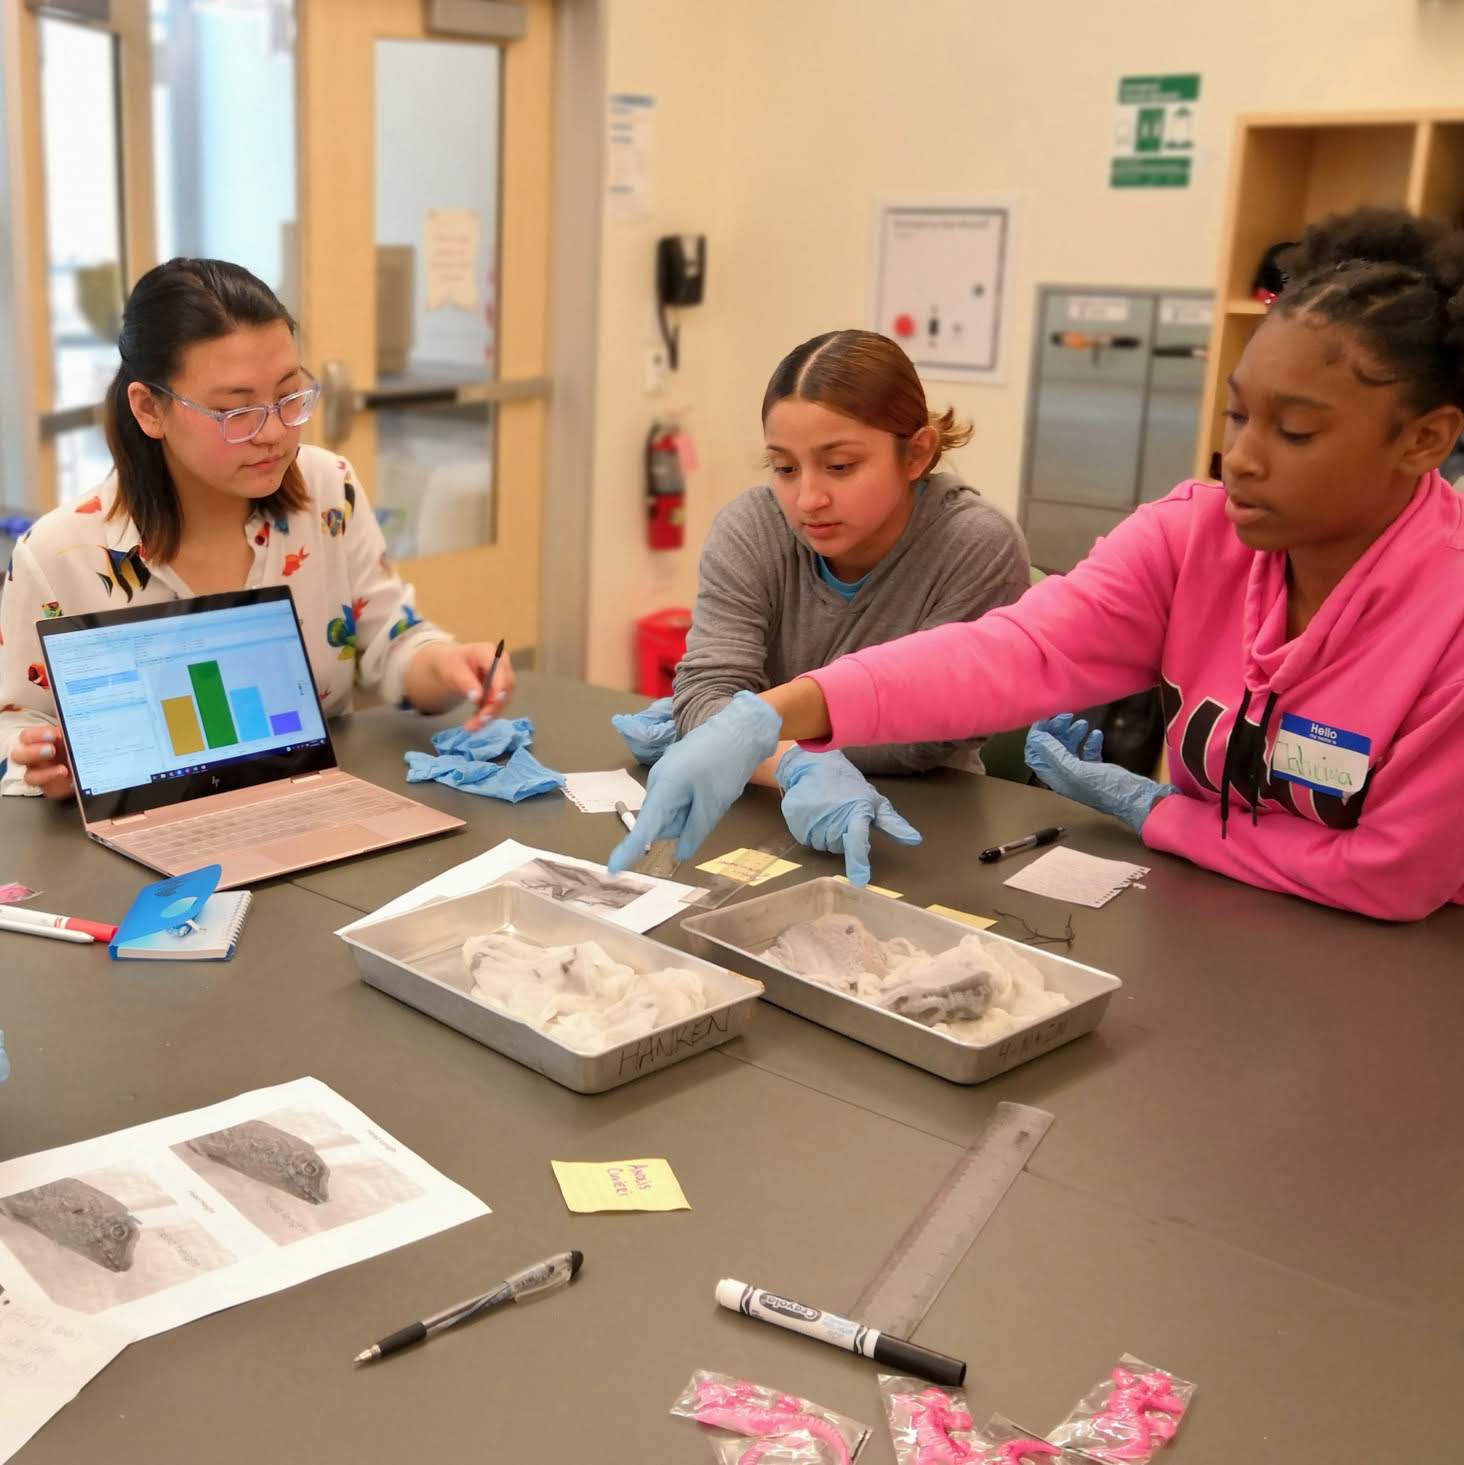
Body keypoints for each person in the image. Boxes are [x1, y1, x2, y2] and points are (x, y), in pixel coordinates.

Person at [611, 208, 1464, 922]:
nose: (1239, 457)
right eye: (1238, 416)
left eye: (1296, 432)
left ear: (1426, 439)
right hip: (1221, 920)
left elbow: (1390, 874)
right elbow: (1017, 652)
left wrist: (1161, 812)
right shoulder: (1194, 535)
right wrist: (777, 718)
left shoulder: (1448, 612)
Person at [1, 258, 513, 800]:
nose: (273, 433)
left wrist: (447, 664)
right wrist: (42, 760)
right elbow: (12, 724)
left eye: (289, 397)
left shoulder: (326, 490)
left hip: (311, 807)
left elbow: (390, 640)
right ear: (149, 409)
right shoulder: (61, 555)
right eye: (236, 412)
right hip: (145, 837)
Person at [612, 328, 1029, 883]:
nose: (808, 500)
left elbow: (920, 739)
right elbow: (705, 698)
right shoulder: (753, 527)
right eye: (785, 468)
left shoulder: (975, 545)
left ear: (917, 452)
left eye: (840, 466)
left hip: (921, 828)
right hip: (762, 809)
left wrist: (746, 737)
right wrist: (790, 763)